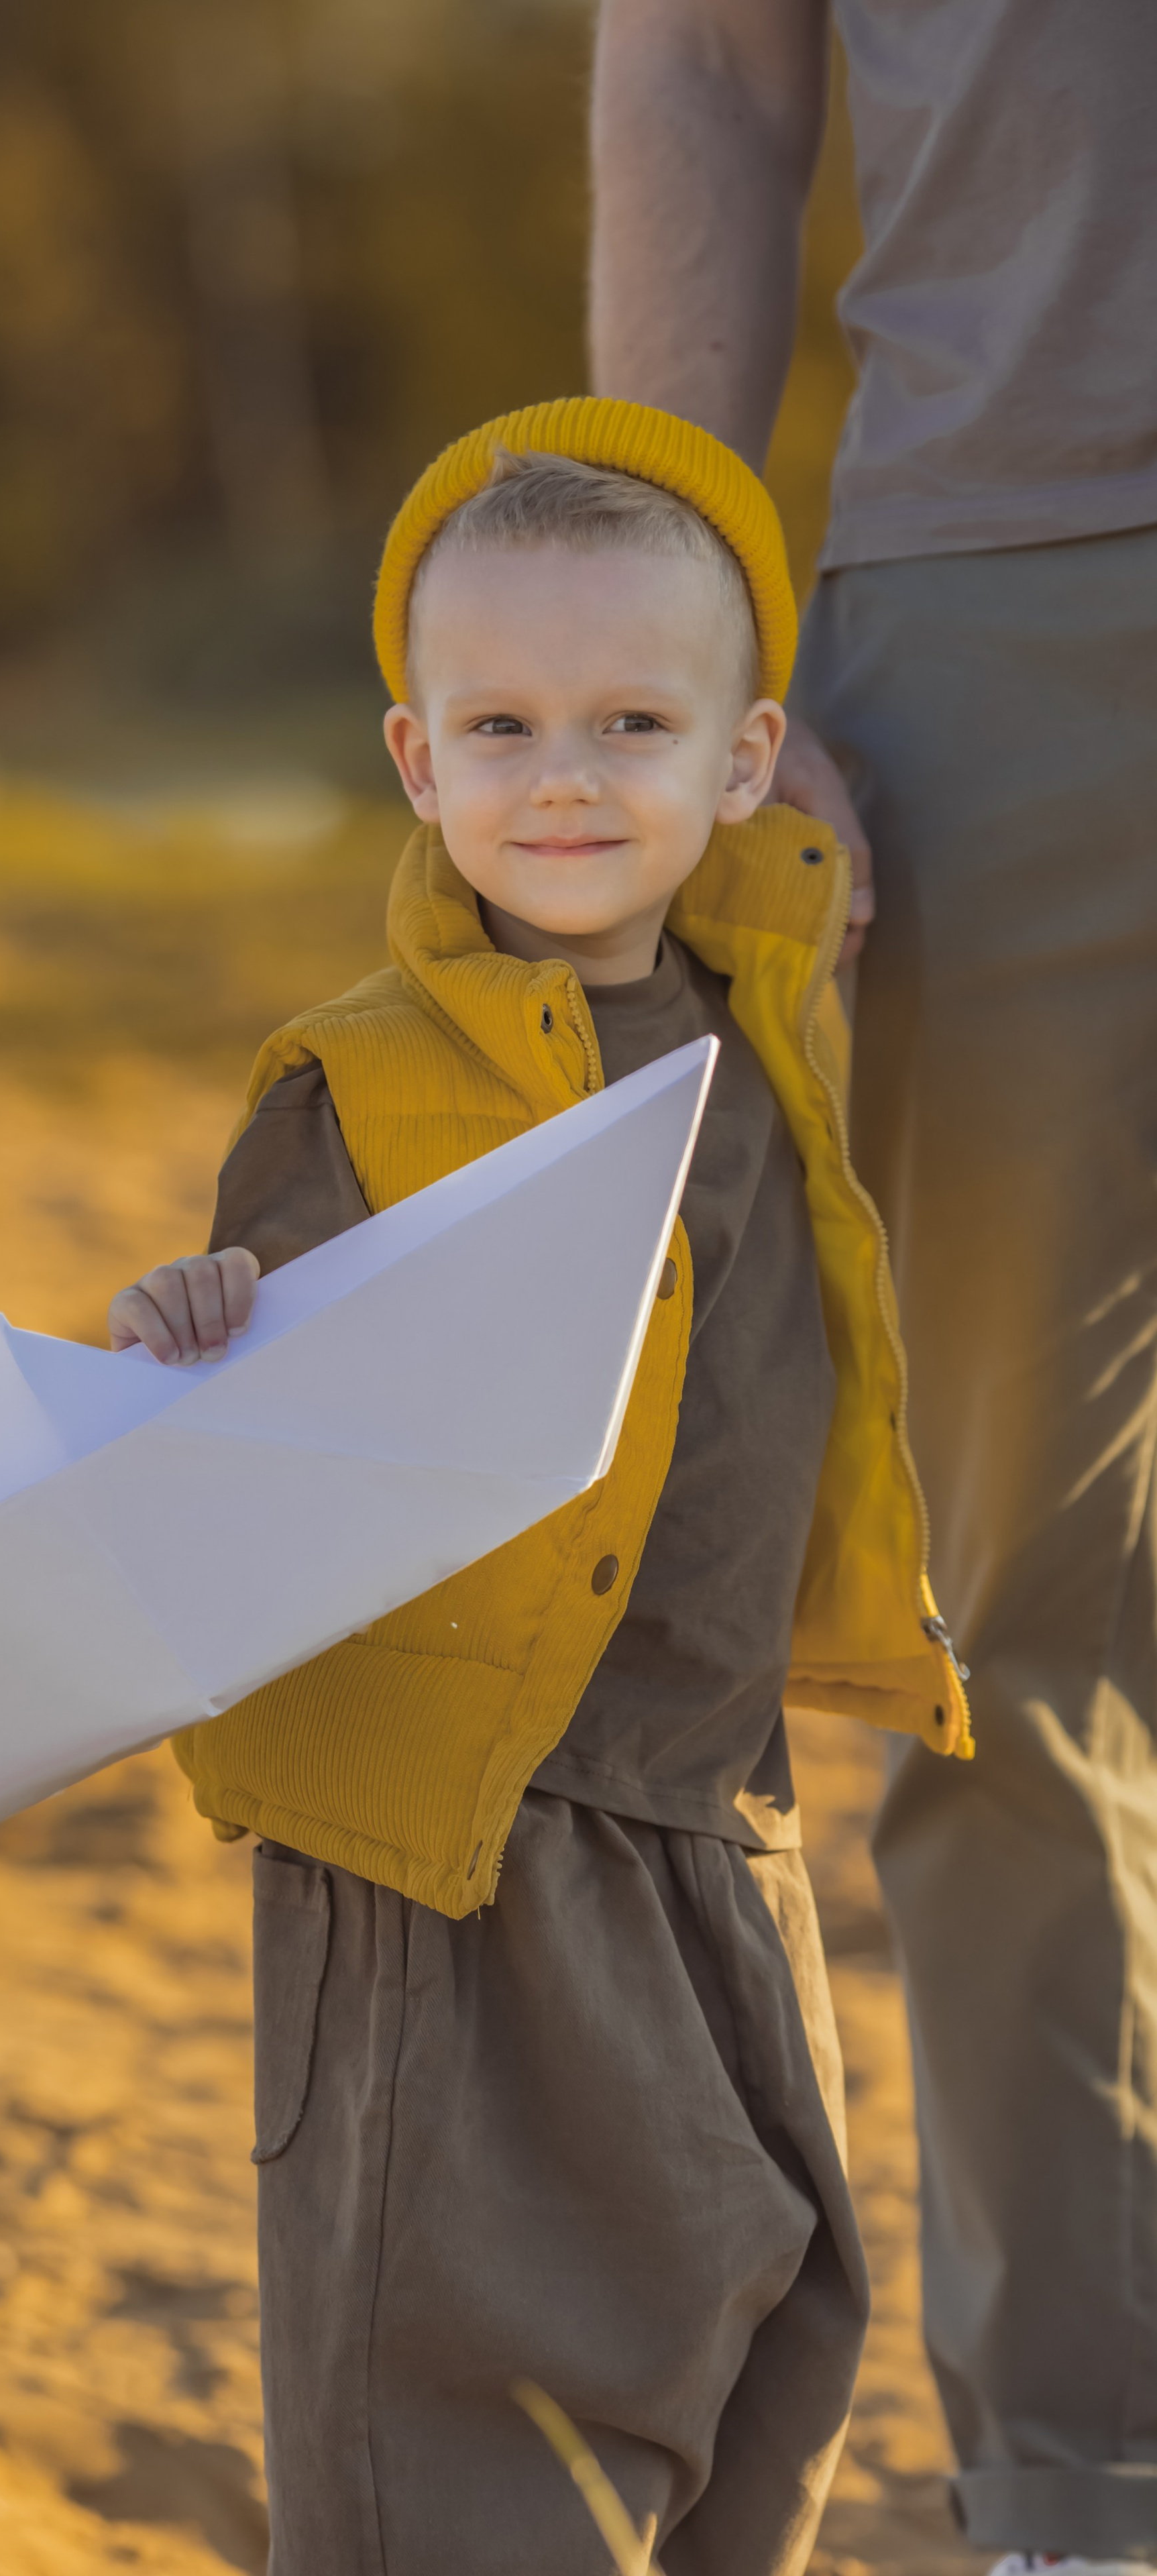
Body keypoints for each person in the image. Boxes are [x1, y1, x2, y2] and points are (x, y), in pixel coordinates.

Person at [105, 397, 971, 2576]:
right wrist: (200, 1322)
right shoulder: (362, 1082)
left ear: (745, 759)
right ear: (418, 764)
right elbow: (258, 1403)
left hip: (718, 1802)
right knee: (461, 2404)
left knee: (764, 2319)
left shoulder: (762, 1020)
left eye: (629, 722)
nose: (565, 776)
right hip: (456, 1851)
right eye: (499, 724)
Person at [588, 7, 1157, 2569]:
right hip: (1008, 616)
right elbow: (709, 58)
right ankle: (1091, 2493)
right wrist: (673, 615)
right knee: (1008, 1627)